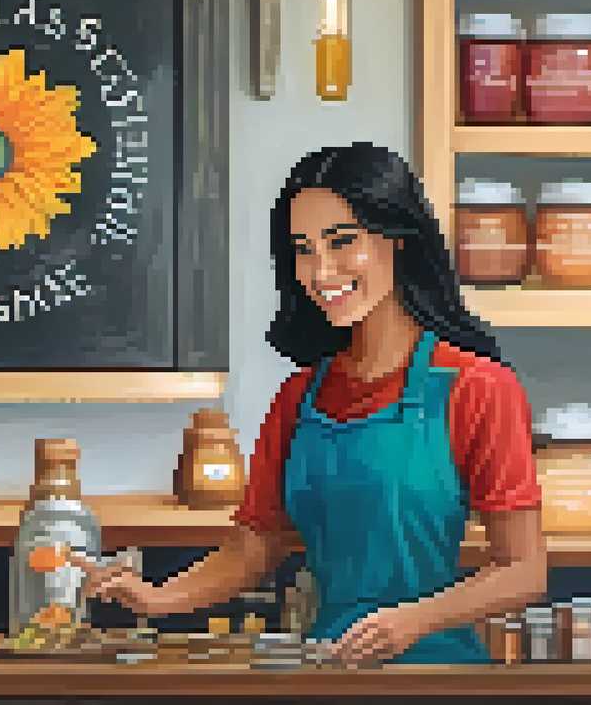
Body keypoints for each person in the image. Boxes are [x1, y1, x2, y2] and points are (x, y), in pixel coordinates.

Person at [74, 143, 547, 665]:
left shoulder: (477, 388)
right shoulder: (300, 398)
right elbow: (254, 549)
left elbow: (523, 570)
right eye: (303, 249)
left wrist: (414, 620)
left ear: (399, 240)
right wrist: (155, 597)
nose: (322, 271)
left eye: (342, 242)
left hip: (436, 674)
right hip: (327, 668)